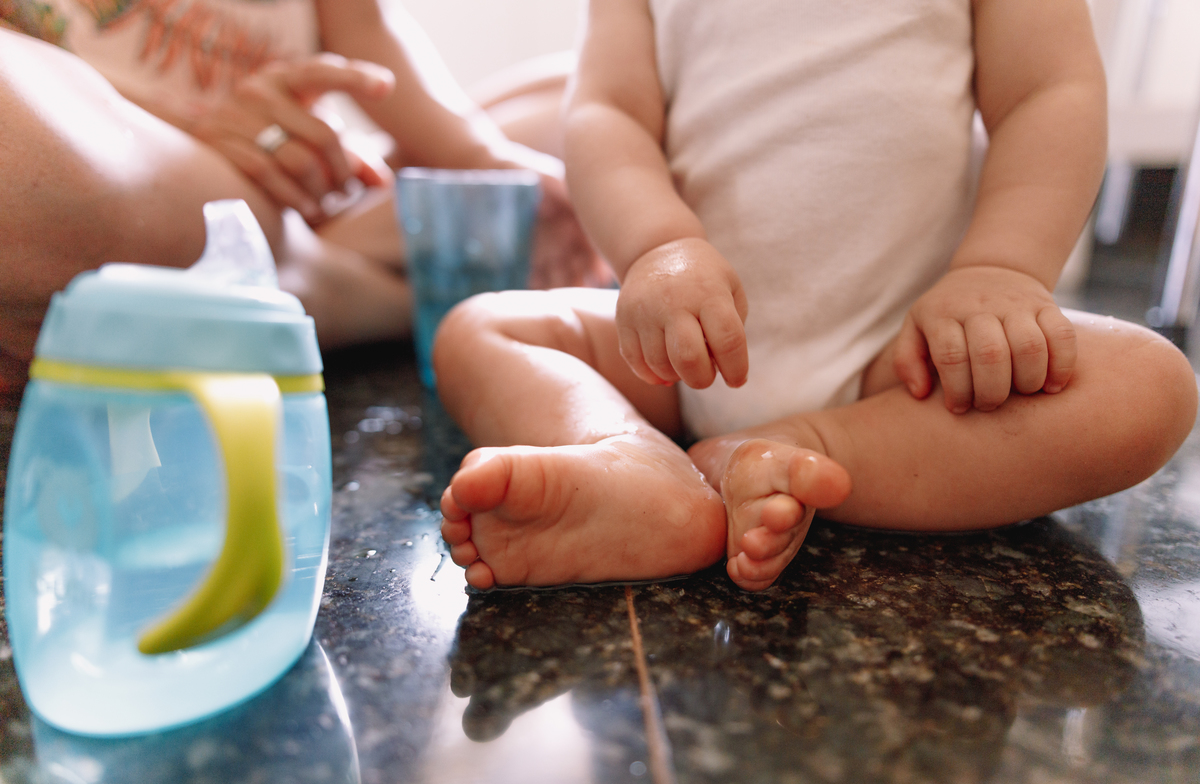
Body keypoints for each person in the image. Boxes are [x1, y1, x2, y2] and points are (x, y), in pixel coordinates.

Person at [435, 0, 1199, 591]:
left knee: (1146, 386)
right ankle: (631, 465)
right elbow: (608, 113)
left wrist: (999, 267)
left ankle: (803, 449)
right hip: (681, 353)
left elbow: (1048, 91)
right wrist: (657, 247)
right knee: (479, 329)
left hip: (900, 367)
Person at [0, 0, 601, 392]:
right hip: (145, 175)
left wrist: (480, 157)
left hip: (300, 194)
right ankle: (392, 293)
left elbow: (368, 28)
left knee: (578, 98)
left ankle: (328, 265)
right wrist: (194, 142)